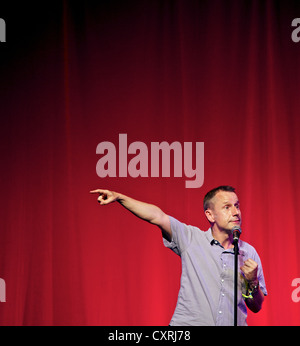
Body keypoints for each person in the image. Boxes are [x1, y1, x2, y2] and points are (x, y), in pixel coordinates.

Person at [90, 185, 267, 326]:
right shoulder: (191, 238)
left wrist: (253, 282)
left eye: (237, 206)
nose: (236, 212)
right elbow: (156, 216)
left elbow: (256, 306)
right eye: (227, 207)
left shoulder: (248, 253)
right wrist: (120, 197)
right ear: (210, 215)